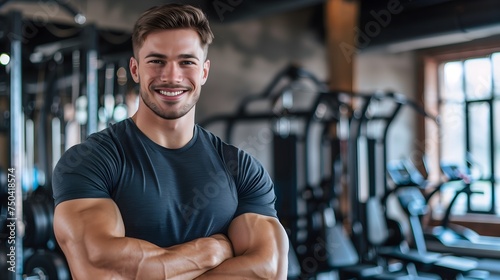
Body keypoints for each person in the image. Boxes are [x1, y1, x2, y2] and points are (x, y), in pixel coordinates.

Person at [52, 3, 289, 279]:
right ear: (135, 69)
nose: (172, 76)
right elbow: (102, 270)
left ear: (204, 71)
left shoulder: (242, 170)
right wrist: (211, 252)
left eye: (187, 61)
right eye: (156, 60)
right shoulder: (91, 162)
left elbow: (268, 271)